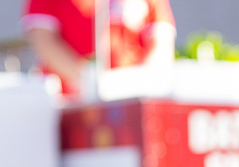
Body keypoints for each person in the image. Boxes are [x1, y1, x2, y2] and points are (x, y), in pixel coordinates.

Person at [21, 0, 176, 95]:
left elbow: (161, 43)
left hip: (132, 101)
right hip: (71, 104)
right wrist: (88, 82)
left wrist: (138, 85)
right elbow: (43, 40)